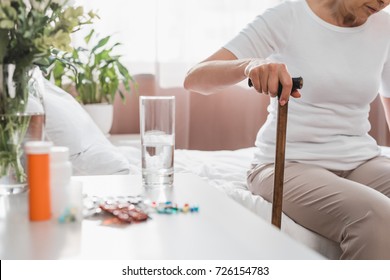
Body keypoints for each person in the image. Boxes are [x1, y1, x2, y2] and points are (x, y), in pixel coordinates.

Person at [183, 0, 390, 259]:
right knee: (377, 217)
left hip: (362, 160)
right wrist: (249, 65)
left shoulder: (385, 28)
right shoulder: (289, 15)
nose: (384, 2)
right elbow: (194, 78)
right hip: (288, 163)